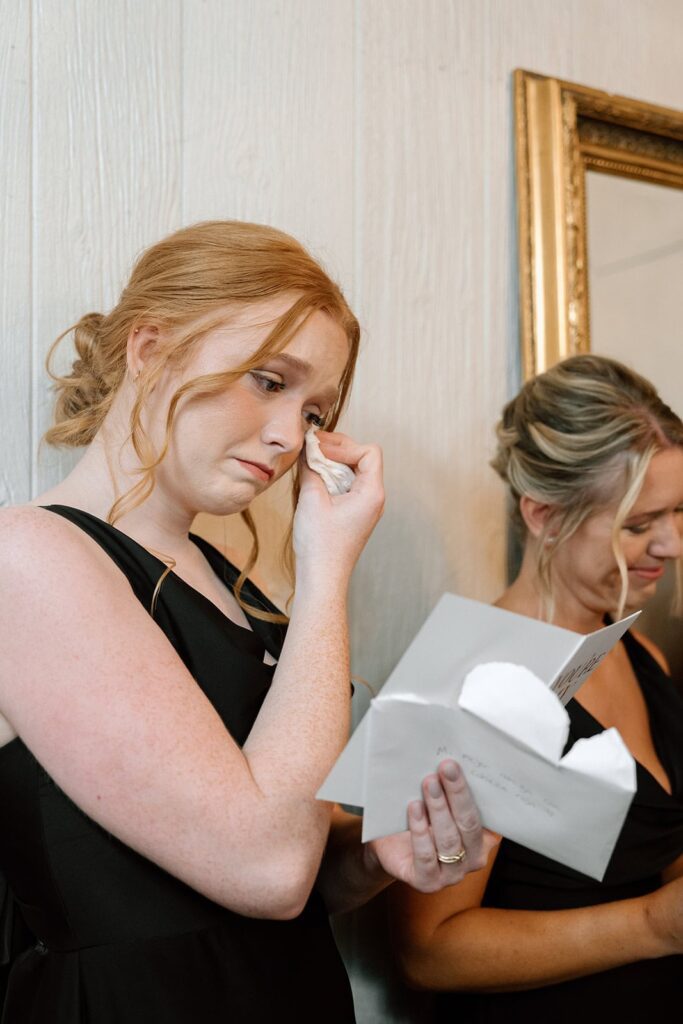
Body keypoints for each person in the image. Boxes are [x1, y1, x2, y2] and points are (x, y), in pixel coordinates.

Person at [0, 221, 495, 1023]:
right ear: (150, 348)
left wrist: (375, 856)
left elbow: (298, 871)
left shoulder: (235, 586)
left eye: (314, 411)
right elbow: (264, 869)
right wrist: (328, 571)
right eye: (269, 381)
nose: (288, 437)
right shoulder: (29, 555)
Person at [391, 354, 683, 1021]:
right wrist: (651, 927)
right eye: (639, 524)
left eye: (678, 512)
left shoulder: (641, 654)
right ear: (544, 516)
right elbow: (427, 951)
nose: (670, 544)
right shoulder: (463, 679)